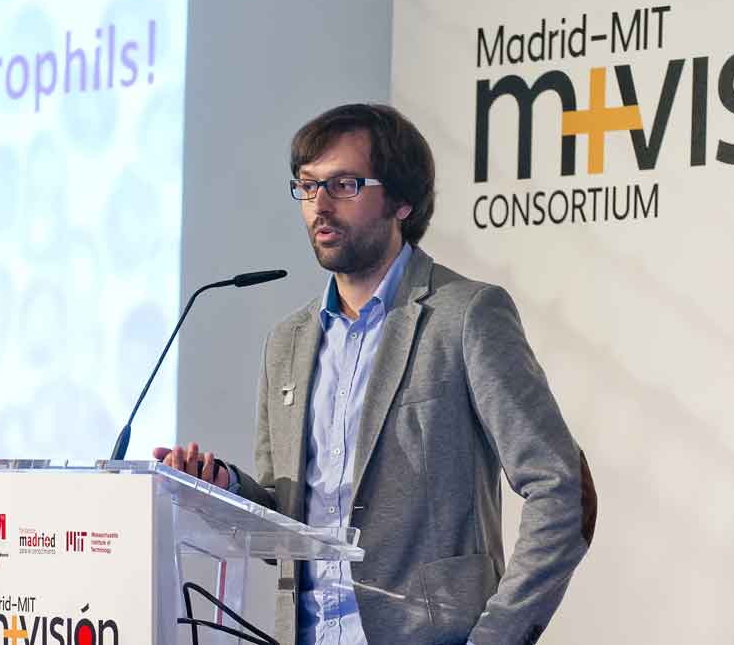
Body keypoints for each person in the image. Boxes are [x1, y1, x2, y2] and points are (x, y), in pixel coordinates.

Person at [154, 103, 595, 645]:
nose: (320, 204)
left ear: (403, 201)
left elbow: (562, 488)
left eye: (345, 184)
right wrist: (221, 487)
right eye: (308, 186)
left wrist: (498, 637)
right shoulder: (286, 343)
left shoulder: (466, 316)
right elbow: (284, 518)